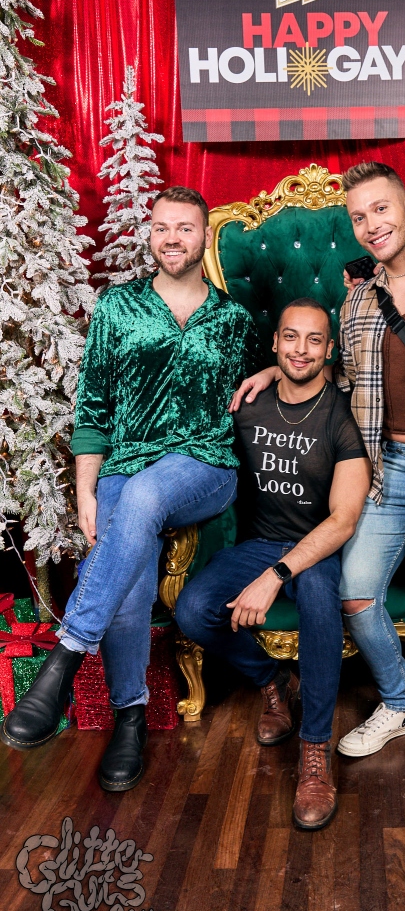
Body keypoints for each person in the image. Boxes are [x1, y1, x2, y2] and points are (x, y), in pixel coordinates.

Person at [231, 162, 405, 819]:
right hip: (386, 471)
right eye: (359, 217)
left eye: (380, 210)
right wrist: (275, 369)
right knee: (355, 593)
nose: (371, 226)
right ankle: (397, 703)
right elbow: (336, 378)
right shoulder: (357, 302)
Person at [1, 186, 258, 793]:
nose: (173, 238)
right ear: (150, 234)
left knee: (142, 497)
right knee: (131, 579)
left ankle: (65, 655)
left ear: (205, 237)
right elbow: (92, 405)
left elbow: (272, 381)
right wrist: (87, 493)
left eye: (186, 227)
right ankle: (130, 717)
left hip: (204, 465)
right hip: (127, 461)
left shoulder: (234, 319)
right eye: (162, 227)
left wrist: (272, 368)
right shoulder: (118, 307)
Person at [175, 298, 370, 831]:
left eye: (314, 339)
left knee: (319, 600)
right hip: (259, 543)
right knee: (192, 611)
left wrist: (276, 575)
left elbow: (344, 520)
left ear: (329, 350)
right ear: (275, 342)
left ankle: (315, 750)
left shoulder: (342, 415)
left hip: (316, 547)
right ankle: (272, 682)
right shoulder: (249, 402)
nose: (300, 350)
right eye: (291, 337)